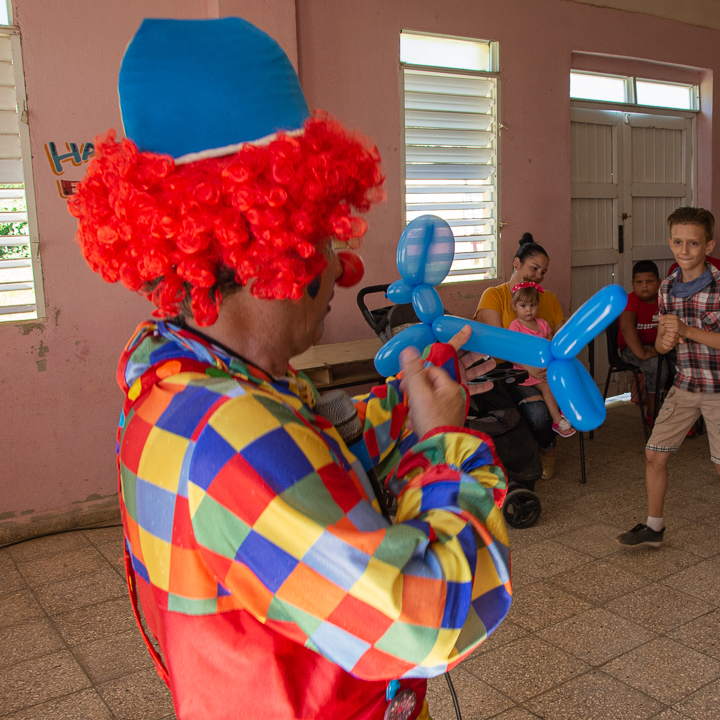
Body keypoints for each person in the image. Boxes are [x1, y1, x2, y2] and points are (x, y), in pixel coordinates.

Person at [66, 18, 510, 720]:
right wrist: (444, 448)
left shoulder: (180, 373)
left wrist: (405, 404)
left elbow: (309, 454)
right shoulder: (228, 430)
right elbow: (435, 616)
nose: (343, 266)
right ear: (266, 241)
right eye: (329, 232)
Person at [617, 207, 720, 568]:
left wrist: (688, 330)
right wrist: (663, 343)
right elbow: (664, 343)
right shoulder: (666, 288)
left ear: (709, 245)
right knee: (654, 454)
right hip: (686, 384)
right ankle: (654, 526)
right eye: (677, 242)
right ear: (670, 241)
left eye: (693, 243)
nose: (685, 250)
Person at [476, 234, 566, 478]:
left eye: (543, 272)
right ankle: (537, 447)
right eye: (534, 268)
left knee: (556, 406)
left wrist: (550, 367)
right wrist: (529, 368)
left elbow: (560, 343)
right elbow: (497, 346)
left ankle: (547, 446)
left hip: (547, 370)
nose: (538, 275)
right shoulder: (494, 295)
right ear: (517, 264)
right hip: (509, 372)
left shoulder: (549, 300)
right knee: (537, 416)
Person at [508, 281, 576, 437]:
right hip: (525, 371)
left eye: (532, 305)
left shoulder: (543, 324)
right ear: (514, 306)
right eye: (523, 306)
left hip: (545, 368)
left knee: (565, 380)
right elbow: (512, 354)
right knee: (547, 387)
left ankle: (567, 410)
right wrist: (530, 369)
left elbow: (552, 347)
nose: (529, 310)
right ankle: (557, 421)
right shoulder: (516, 326)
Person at [618, 260, 672, 418]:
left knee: (685, 362)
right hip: (632, 350)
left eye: (649, 281)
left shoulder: (664, 301)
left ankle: (681, 415)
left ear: (658, 283)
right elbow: (627, 327)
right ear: (632, 283)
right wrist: (641, 353)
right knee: (656, 366)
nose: (644, 286)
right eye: (639, 282)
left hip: (659, 346)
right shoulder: (632, 300)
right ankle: (653, 414)